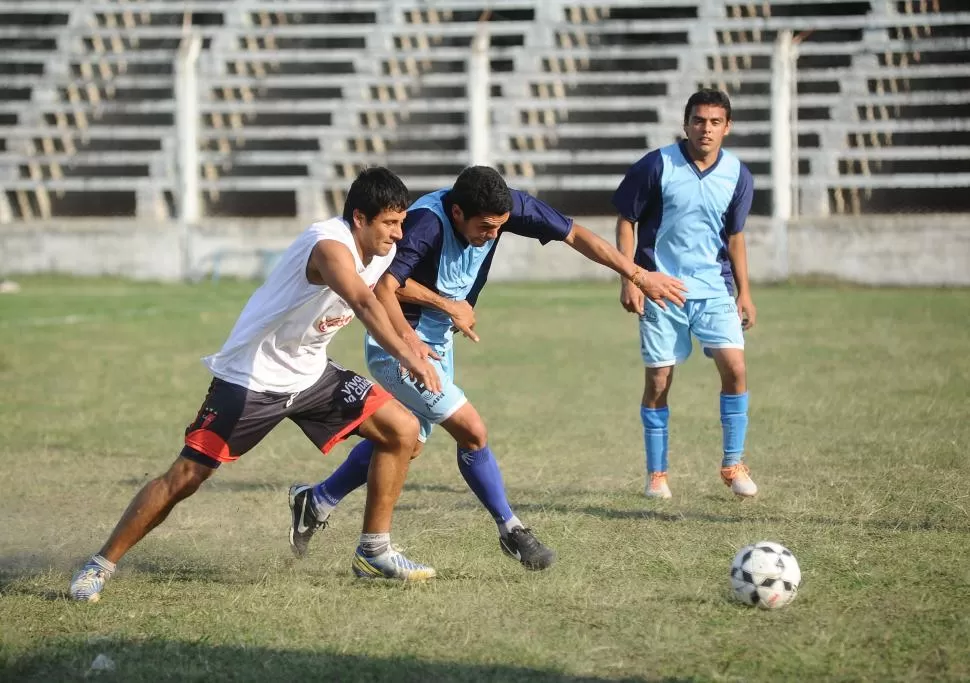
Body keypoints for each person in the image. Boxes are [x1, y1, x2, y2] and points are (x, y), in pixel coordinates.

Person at [69, 167, 443, 602]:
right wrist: (403, 355)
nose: (399, 234)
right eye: (391, 223)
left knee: (402, 431)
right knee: (187, 476)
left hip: (311, 373)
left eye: (401, 222)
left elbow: (379, 291)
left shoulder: (376, 249)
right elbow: (360, 300)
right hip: (252, 378)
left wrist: (412, 340)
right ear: (359, 217)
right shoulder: (329, 244)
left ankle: (373, 551)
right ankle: (99, 564)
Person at [286, 165, 687, 570]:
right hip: (397, 339)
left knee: (407, 442)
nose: (493, 235)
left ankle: (316, 500)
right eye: (485, 227)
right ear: (457, 213)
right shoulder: (426, 223)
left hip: (435, 342)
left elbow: (575, 234)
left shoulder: (504, 207)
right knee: (472, 431)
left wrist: (637, 274)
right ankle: (512, 531)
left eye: (500, 226)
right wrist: (442, 312)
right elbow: (386, 285)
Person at [612, 88, 758, 501]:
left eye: (714, 122)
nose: (705, 129)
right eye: (698, 120)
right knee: (659, 380)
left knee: (736, 369)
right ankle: (657, 475)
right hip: (661, 289)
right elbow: (626, 221)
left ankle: (732, 464)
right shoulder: (656, 165)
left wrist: (745, 293)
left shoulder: (738, 174)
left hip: (714, 289)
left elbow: (735, 236)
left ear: (727, 127)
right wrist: (631, 279)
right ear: (686, 124)